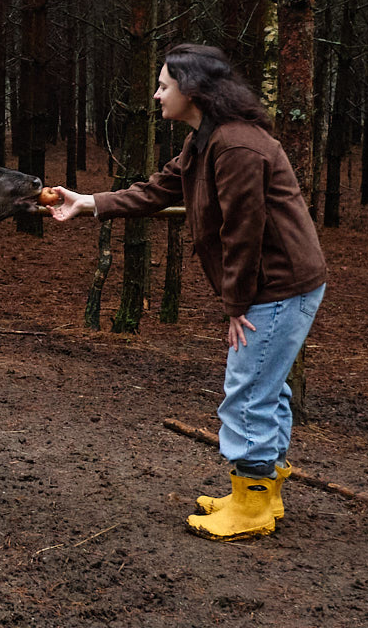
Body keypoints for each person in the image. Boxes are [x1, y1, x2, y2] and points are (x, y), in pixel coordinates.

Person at [50, 44, 326, 542]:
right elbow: (161, 188)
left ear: (192, 91)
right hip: (273, 285)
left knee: (248, 390)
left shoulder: (237, 146)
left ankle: (253, 506)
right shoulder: (207, 138)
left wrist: (236, 306)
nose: (157, 95)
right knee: (266, 387)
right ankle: (260, 492)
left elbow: (244, 231)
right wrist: (88, 202)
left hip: (277, 285)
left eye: (164, 86)